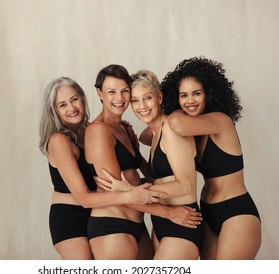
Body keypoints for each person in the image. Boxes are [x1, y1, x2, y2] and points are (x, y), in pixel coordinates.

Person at [38, 77, 167, 260]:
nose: (71, 108)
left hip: (99, 211)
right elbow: (83, 198)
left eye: (74, 100)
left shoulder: (95, 130)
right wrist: (130, 194)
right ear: (54, 111)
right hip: (71, 217)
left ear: (83, 98)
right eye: (62, 105)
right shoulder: (59, 141)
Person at [160, 56, 262, 259]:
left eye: (196, 93)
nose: (189, 101)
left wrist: (167, 113)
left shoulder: (221, 121)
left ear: (209, 93)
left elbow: (175, 124)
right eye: (183, 95)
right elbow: (148, 136)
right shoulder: (194, 131)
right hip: (206, 212)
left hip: (236, 212)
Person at [97, 69, 204, 259]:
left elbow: (185, 184)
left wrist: (132, 192)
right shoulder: (154, 134)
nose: (142, 106)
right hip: (161, 223)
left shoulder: (171, 128)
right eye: (135, 101)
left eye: (147, 98)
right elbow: (162, 177)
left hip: (183, 221)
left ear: (159, 97)